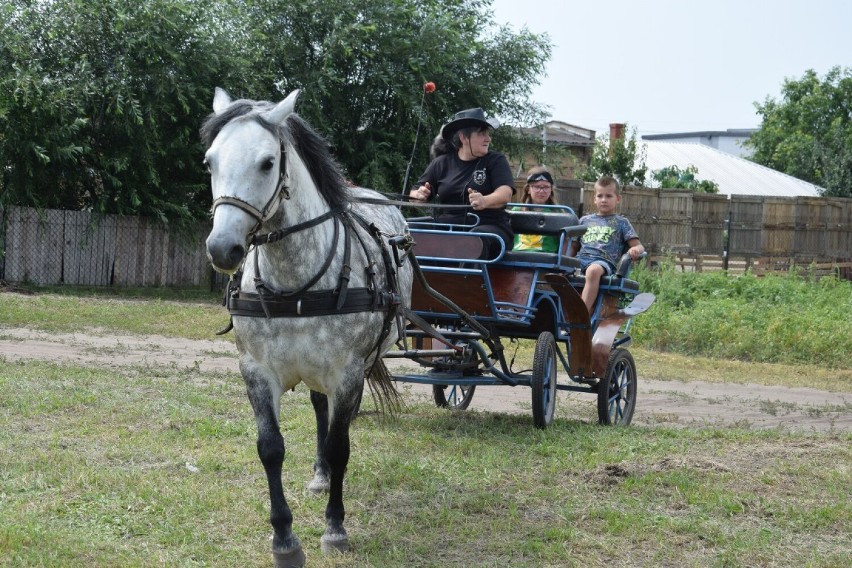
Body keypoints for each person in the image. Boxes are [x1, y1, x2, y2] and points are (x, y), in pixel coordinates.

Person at [409, 108, 514, 259]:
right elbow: (414, 194)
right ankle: (418, 280)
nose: (488, 139)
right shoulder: (441, 163)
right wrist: (419, 195)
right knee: (409, 230)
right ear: (464, 137)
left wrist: (485, 200)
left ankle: (465, 282)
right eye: (482, 133)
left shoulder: (496, 160)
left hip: (489, 227)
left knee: (473, 240)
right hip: (448, 227)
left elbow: (505, 193)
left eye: (488, 134)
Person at [569, 176, 645, 315]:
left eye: (609, 196)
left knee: (593, 271)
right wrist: (564, 260)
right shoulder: (584, 220)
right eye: (600, 196)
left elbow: (639, 246)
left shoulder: (621, 222)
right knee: (558, 272)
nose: (604, 199)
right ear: (594, 199)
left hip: (603, 262)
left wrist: (635, 250)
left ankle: (580, 315)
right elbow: (573, 246)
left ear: (617, 199)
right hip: (581, 259)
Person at [512, 166, 560, 253]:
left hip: (546, 257)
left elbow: (566, 241)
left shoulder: (558, 212)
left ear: (551, 189)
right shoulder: (516, 210)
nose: (541, 191)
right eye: (537, 187)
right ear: (528, 189)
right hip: (518, 254)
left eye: (546, 187)